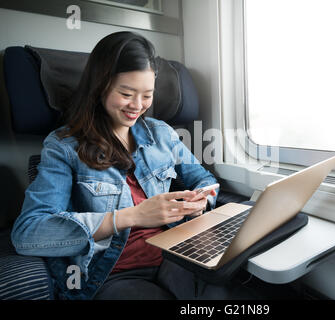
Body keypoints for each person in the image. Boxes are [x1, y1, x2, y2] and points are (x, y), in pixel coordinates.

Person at [10, 31, 244, 300]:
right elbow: (28, 232)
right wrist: (131, 217)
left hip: (174, 253)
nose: (137, 106)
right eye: (126, 93)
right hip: (112, 272)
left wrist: (201, 201)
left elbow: (203, 179)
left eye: (147, 95)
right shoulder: (64, 146)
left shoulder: (162, 134)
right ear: (100, 87)